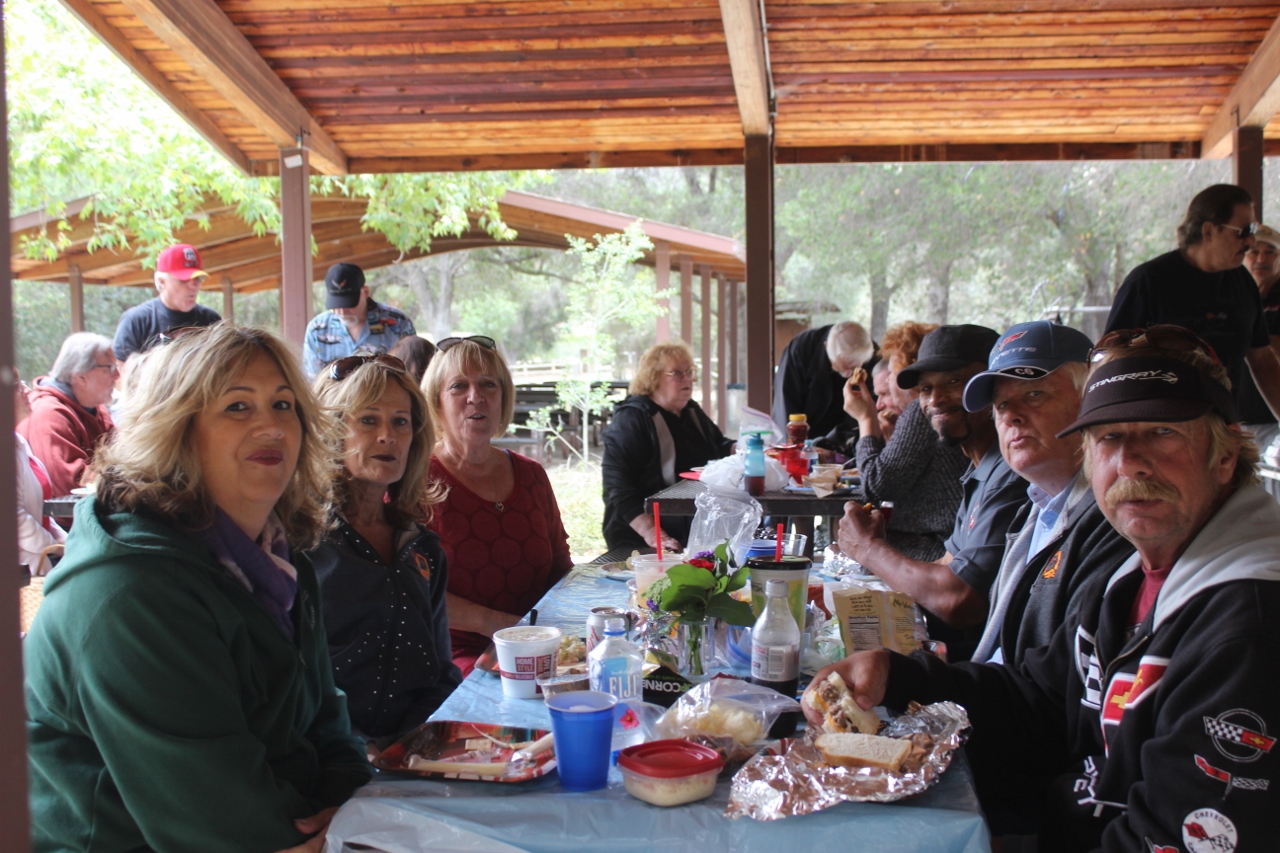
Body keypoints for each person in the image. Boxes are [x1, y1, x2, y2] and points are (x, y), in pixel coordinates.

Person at [806, 330, 1280, 853]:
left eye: (1162, 431)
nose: (1131, 463)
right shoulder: (1139, 574)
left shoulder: (1247, 625)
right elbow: (1042, 703)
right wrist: (899, 675)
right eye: (1109, 438)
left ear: (1225, 455)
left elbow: (1183, 835)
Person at [25, 324, 372, 853]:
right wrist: (331, 831)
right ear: (178, 428)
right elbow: (219, 819)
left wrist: (348, 807)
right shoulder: (130, 593)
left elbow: (326, 711)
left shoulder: (281, 555)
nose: (271, 427)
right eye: (238, 407)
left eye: (283, 405)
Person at [838, 324, 1027, 662]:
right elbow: (948, 564)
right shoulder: (977, 469)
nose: (936, 399)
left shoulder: (1011, 473)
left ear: (995, 387)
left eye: (955, 382)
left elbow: (959, 602)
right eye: (926, 388)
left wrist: (869, 549)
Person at [958, 320, 1134, 672]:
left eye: (1034, 394)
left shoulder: (1119, 517)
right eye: (1001, 404)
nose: (1011, 416)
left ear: (1090, 401)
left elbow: (1050, 689)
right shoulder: (1034, 510)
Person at [311, 354, 462, 741]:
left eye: (400, 422)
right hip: (324, 760)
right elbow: (292, 685)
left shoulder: (423, 550)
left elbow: (440, 675)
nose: (387, 436)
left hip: (412, 754)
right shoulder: (301, 545)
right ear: (331, 431)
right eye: (368, 420)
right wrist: (357, 753)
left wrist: (411, 744)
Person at [422, 336, 572, 675]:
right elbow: (413, 592)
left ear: (502, 398)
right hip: (456, 656)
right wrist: (502, 626)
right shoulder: (417, 482)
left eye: (488, 384)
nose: (476, 396)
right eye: (459, 386)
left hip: (541, 643)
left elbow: (560, 566)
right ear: (436, 402)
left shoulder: (532, 475)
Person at [1106, 183, 1280, 467]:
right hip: (1159, 439)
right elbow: (1111, 362)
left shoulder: (1243, 284)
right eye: (1244, 231)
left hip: (1222, 432)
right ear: (1209, 230)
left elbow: (1262, 360)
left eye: (1253, 230)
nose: (1250, 242)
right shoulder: (1149, 282)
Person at [841, 321, 968, 562]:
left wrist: (866, 419)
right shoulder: (929, 412)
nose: (888, 380)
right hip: (947, 541)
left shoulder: (922, 412)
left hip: (936, 548)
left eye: (892, 370)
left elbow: (877, 486)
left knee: (846, 547)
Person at [601, 341, 735, 553]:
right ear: (653, 378)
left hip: (693, 525)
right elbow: (618, 486)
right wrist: (655, 535)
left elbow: (719, 446)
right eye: (677, 373)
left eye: (689, 371)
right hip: (641, 538)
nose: (687, 378)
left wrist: (749, 450)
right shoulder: (633, 418)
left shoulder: (690, 410)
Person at [19, 332, 116, 496]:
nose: (117, 376)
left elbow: (123, 456)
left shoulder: (95, 409)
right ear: (80, 376)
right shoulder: (49, 414)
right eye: (110, 369)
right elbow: (69, 483)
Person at [303, 263, 417, 379]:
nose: (342, 311)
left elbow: (413, 373)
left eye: (348, 304)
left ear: (366, 292)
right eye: (336, 304)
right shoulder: (317, 329)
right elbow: (312, 380)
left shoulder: (398, 322)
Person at [112, 243, 221, 362]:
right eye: (183, 280)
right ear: (161, 281)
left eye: (197, 278)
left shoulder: (211, 320)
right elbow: (121, 373)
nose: (193, 285)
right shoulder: (137, 321)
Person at [771, 320, 876, 439]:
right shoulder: (802, 348)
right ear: (826, 346)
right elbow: (785, 405)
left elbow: (870, 413)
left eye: (853, 369)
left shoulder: (870, 353)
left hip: (847, 436)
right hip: (805, 430)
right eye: (841, 368)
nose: (847, 375)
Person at [14, 369, 66, 574]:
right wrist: (55, 547)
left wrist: (68, 543)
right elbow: (13, 518)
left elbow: (39, 511)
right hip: (20, 574)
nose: (26, 390)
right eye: (16, 386)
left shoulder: (18, 440)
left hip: (40, 564)